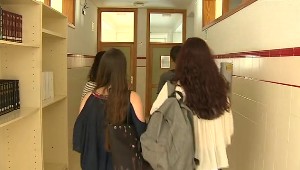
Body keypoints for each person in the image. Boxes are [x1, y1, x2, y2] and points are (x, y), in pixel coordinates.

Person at [150, 37, 233, 170]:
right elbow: (227, 131)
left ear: (182, 61)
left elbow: (155, 117)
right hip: (212, 163)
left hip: (181, 160)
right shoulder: (220, 92)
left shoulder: (173, 89)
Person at [73, 48, 146, 170]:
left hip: (92, 162)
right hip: (123, 163)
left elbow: (80, 136)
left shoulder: (88, 98)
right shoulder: (132, 98)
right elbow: (142, 135)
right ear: (122, 70)